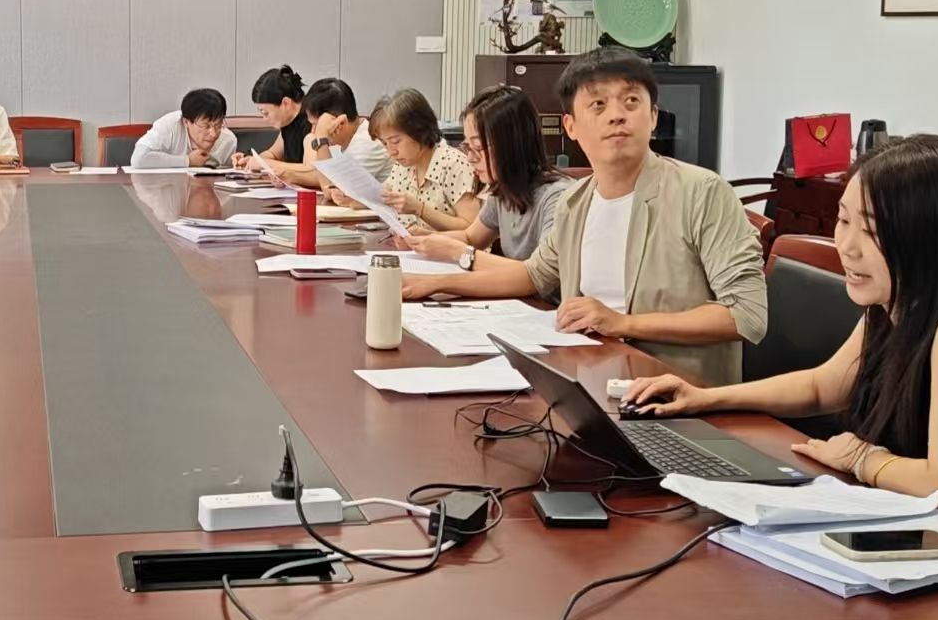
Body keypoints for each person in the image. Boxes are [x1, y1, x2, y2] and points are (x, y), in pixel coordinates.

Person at [625, 135, 938, 531]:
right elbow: (822, 386)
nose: (847, 246)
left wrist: (861, 458)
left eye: (871, 230)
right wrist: (705, 398)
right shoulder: (894, 305)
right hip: (908, 525)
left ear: (929, 238)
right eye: (843, 220)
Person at [402, 47, 766, 386]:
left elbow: (747, 315)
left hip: (677, 393)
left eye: (631, 101)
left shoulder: (702, 192)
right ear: (571, 127)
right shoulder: (576, 201)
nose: (617, 115)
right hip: (588, 378)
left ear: (653, 117)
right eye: (598, 104)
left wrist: (624, 323)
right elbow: (533, 275)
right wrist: (435, 284)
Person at [403, 85, 562, 254]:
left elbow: (537, 270)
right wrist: (425, 237)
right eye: (467, 146)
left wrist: (460, 253)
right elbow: (470, 238)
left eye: (478, 147)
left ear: (513, 145)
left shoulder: (555, 198)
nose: (470, 158)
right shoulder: (503, 192)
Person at [323, 87, 479, 233]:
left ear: (419, 130)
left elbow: (471, 229)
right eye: (385, 143)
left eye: (396, 141)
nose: (391, 152)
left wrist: (420, 209)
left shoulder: (453, 164)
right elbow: (382, 198)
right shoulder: (403, 166)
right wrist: (352, 198)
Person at [258, 77, 391, 188]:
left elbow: (332, 189)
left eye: (316, 125)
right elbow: (319, 174)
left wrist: (321, 139)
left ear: (339, 122)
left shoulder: (368, 142)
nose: (313, 130)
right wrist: (289, 176)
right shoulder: (338, 140)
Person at [132, 88, 239, 169]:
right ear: (186, 122)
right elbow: (139, 158)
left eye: (218, 125)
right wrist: (187, 161)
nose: (213, 134)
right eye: (205, 126)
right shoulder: (170, 125)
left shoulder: (228, 141)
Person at [231, 65, 307, 169]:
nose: (264, 118)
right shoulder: (287, 122)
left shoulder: (312, 121)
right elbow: (273, 154)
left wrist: (267, 164)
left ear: (286, 103)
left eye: (266, 113)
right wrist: (252, 160)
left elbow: (309, 170)